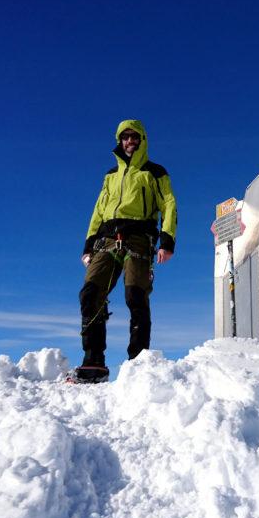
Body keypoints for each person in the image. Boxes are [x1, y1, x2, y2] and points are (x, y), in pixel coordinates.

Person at [75, 119, 177, 382]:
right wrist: (89, 244)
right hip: (107, 239)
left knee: (135, 295)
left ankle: (138, 362)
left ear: (142, 140)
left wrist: (167, 240)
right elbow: (98, 210)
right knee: (90, 293)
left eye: (134, 137)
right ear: (119, 141)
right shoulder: (110, 175)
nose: (130, 141)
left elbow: (168, 204)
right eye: (125, 137)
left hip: (139, 238)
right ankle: (93, 360)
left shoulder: (154, 172)